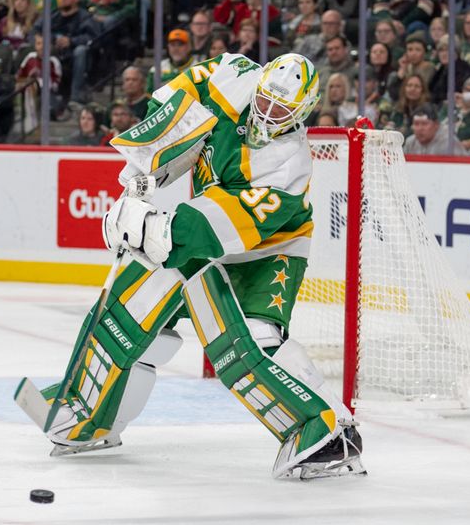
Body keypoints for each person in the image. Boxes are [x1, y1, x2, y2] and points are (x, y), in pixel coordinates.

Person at [25, 52, 365, 480]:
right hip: (205, 233)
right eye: (265, 100)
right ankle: (91, 413)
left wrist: (152, 229)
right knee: (131, 304)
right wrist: (144, 166)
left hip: (266, 255)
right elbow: (178, 99)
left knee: (248, 346)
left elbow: (212, 225)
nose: (267, 112)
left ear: (302, 113)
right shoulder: (233, 75)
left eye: (282, 109)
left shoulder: (288, 166)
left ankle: (329, 433)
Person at [35, 0, 100, 105]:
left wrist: (71, 41)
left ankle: (76, 95)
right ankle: (43, 97)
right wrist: (48, 40)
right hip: (54, 52)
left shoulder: (85, 17)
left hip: (75, 55)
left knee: (80, 51)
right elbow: (36, 30)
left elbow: (93, 38)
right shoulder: (52, 15)